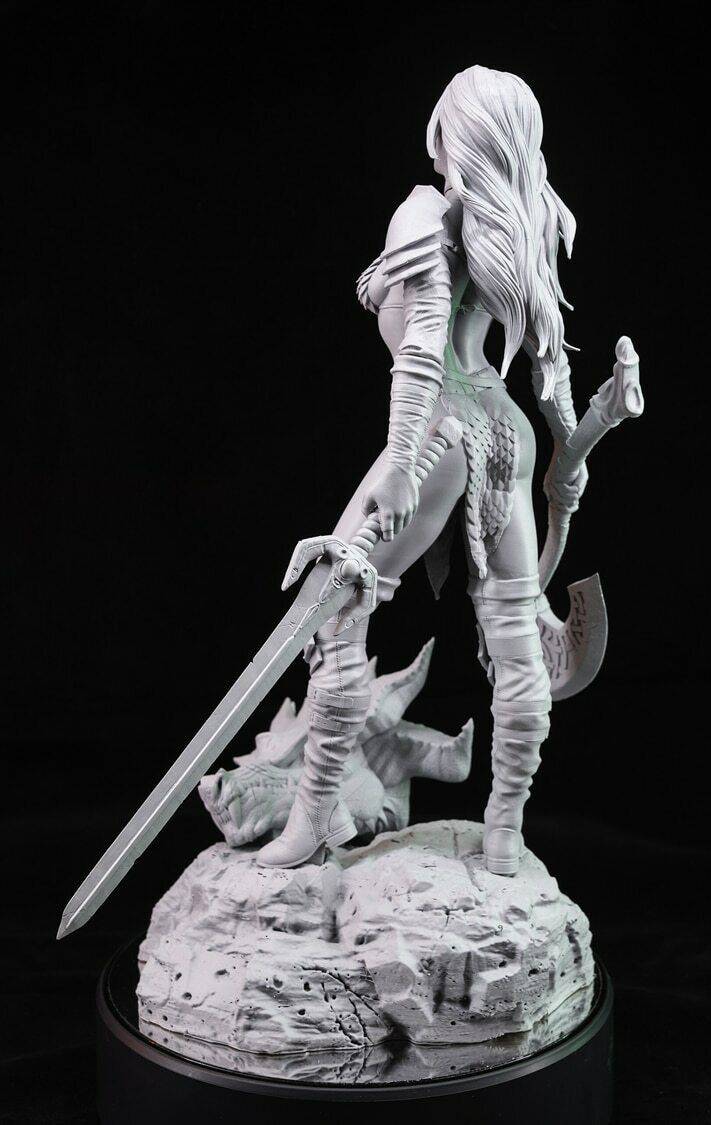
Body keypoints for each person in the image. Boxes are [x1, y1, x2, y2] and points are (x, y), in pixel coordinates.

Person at [258, 65, 587, 876]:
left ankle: (313, 817)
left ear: (451, 131)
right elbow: (549, 371)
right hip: (506, 431)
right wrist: (567, 448)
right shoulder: (533, 215)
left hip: (439, 430)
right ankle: (504, 833)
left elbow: (420, 348)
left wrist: (402, 464)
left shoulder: (425, 212)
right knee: (515, 642)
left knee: (335, 611)